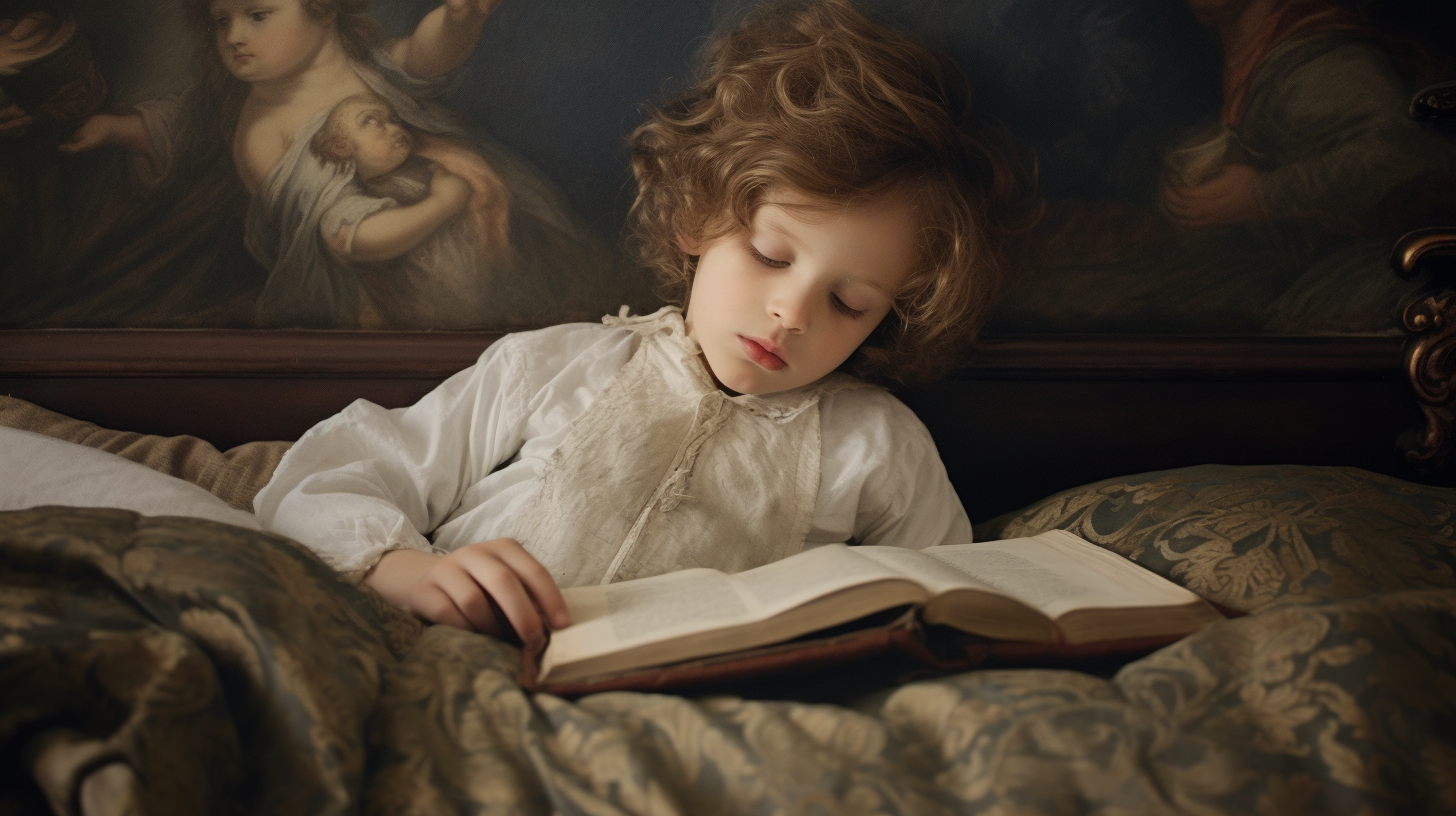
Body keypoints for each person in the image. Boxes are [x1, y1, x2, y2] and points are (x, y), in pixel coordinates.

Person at [254, 0, 1034, 649]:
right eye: (769, 255)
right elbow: (326, 479)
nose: (792, 314)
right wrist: (408, 572)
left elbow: (956, 599)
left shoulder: (880, 446)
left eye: (850, 303)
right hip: (464, 650)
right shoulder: (550, 366)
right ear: (697, 220)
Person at [36, 0, 615, 329]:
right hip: (395, 284)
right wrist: (118, 127)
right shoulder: (265, 130)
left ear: (323, 12)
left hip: (491, 232)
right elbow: (343, 236)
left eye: (257, 15)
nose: (234, 35)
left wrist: (463, 18)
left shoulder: (367, 66)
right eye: (222, 21)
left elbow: (422, 55)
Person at [303, 93, 508, 327]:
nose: (393, 127)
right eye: (370, 121)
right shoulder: (343, 201)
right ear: (340, 146)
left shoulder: (422, 169)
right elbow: (364, 236)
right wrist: (444, 202)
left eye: (393, 119)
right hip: (419, 311)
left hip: (475, 292)